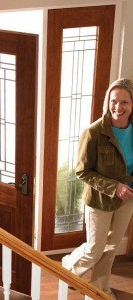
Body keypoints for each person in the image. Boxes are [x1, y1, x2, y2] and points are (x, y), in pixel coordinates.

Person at [62, 78, 133, 300]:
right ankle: (68, 270)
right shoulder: (93, 132)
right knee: (95, 248)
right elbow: (82, 172)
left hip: (128, 199)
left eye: (124, 102)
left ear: (132, 104)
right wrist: (115, 187)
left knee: (111, 247)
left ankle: (99, 290)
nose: (118, 107)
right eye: (114, 101)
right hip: (100, 200)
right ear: (107, 102)